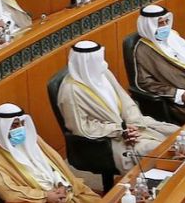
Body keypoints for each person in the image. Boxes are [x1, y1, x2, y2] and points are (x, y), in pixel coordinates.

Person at [57, 40, 178, 171]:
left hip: (134, 125)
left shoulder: (104, 73)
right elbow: (82, 128)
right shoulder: (71, 91)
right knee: (162, 151)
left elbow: (126, 101)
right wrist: (120, 130)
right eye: (96, 61)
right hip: (111, 139)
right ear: (85, 64)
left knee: (180, 135)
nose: (102, 63)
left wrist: (133, 123)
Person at [0, 104, 99, 203]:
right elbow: (7, 191)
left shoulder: (30, 137)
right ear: (2, 128)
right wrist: (45, 196)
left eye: (22, 123)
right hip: (36, 202)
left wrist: (61, 184)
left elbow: (53, 166)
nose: (20, 129)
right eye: (14, 125)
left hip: (62, 192)